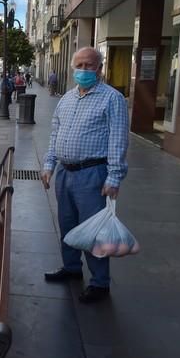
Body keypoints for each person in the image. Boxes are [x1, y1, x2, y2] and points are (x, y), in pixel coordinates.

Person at [41, 47, 129, 304]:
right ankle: (71, 268)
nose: (83, 70)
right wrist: (49, 165)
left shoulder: (112, 99)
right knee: (67, 224)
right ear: (72, 67)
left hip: (93, 174)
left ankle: (100, 283)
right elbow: (55, 135)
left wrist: (114, 177)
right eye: (78, 65)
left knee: (94, 231)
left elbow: (118, 139)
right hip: (65, 174)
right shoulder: (66, 99)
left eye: (89, 66)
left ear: (99, 69)